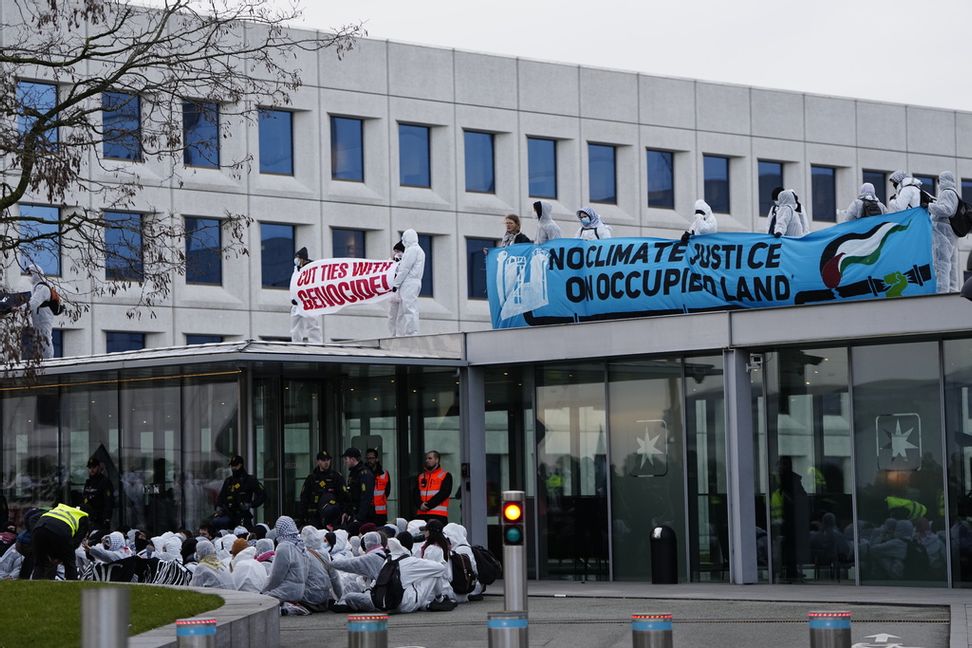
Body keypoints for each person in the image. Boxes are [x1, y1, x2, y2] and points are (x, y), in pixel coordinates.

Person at [384, 537, 447, 613]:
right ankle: (440, 599)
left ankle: (427, 603)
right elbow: (440, 568)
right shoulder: (411, 561)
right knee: (434, 572)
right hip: (407, 605)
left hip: (388, 603)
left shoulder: (387, 561)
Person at [262, 516, 309, 615]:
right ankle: (287, 606)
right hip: (299, 591)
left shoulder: (284, 546)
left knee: (261, 601)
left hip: (286, 591)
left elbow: (276, 577)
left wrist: (263, 590)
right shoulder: (300, 545)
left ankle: (286, 610)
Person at [31, 503, 89, 580]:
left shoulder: (60, 508)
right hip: (60, 531)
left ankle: (35, 584)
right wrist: (61, 557)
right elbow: (75, 543)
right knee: (69, 563)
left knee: (39, 563)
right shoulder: (83, 517)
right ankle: (72, 584)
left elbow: (32, 518)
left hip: (39, 528)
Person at [928, 171, 960, 294]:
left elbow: (947, 210)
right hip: (950, 232)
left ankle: (942, 293)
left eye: (939, 180)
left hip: (943, 231)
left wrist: (929, 206)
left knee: (941, 264)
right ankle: (952, 291)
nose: (938, 183)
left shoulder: (947, 192)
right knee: (951, 264)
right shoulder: (954, 193)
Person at [214, 455, 266, 530]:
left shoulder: (249, 480)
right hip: (229, 516)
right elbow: (221, 498)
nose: (233, 468)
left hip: (242, 516)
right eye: (232, 466)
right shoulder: (228, 481)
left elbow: (262, 495)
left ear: (240, 465)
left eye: (235, 466)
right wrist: (219, 508)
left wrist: (251, 504)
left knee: (243, 536)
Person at [390, 230, 425, 337]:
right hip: (414, 281)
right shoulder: (419, 250)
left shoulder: (412, 250)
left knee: (408, 308)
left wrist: (395, 284)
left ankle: (411, 333)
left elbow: (404, 269)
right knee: (405, 308)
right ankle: (405, 332)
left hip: (409, 282)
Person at [298, 451, 345, 529]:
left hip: (332, 516)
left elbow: (343, 497)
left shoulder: (336, 477)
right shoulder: (312, 478)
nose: (326, 462)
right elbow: (304, 498)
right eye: (323, 460)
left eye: (328, 460)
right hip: (315, 516)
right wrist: (302, 517)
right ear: (318, 461)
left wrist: (343, 511)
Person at [290, 247, 323, 344]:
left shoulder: (312, 269)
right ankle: (296, 345)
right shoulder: (296, 270)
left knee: (312, 325)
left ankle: (316, 345)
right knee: (295, 328)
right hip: (297, 303)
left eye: (298, 258)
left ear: (303, 259)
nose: (296, 260)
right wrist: (293, 298)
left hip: (309, 302)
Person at [24, 263, 55, 359]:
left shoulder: (42, 287)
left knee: (45, 338)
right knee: (39, 339)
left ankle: (48, 361)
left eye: (31, 274)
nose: (29, 277)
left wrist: (21, 308)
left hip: (43, 317)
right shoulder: (36, 287)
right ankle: (41, 360)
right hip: (39, 317)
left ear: (36, 274)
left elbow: (34, 302)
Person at [341, 448, 375, 533]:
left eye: (346, 459)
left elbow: (366, 498)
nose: (345, 462)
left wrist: (359, 518)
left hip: (364, 518)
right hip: (354, 514)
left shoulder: (364, 474)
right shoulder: (353, 474)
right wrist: (347, 511)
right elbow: (350, 495)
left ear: (353, 459)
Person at [416, 451, 452, 522]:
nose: (427, 460)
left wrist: (427, 505)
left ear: (437, 460)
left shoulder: (445, 475)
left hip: (438, 515)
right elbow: (415, 493)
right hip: (421, 514)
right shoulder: (420, 476)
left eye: (430, 458)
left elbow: (444, 493)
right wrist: (420, 505)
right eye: (426, 459)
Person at [81, 457, 114, 532]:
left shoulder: (104, 482)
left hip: (100, 517)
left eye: (94, 467)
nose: (91, 470)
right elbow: (85, 498)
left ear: (98, 467)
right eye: (90, 467)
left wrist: (107, 518)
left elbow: (109, 502)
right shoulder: (88, 482)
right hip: (89, 517)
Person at [366, 448, 391, 526]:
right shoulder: (364, 473)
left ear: (377, 459)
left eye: (372, 458)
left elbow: (387, 491)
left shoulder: (384, 473)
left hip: (380, 512)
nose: (370, 460)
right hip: (367, 511)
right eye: (368, 458)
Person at [386, 241, 406, 337]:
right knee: (391, 316)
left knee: (401, 316)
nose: (396, 253)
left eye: (398, 251)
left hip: (402, 293)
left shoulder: (406, 262)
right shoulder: (390, 262)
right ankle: (392, 335)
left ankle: (399, 335)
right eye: (395, 251)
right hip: (392, 294)